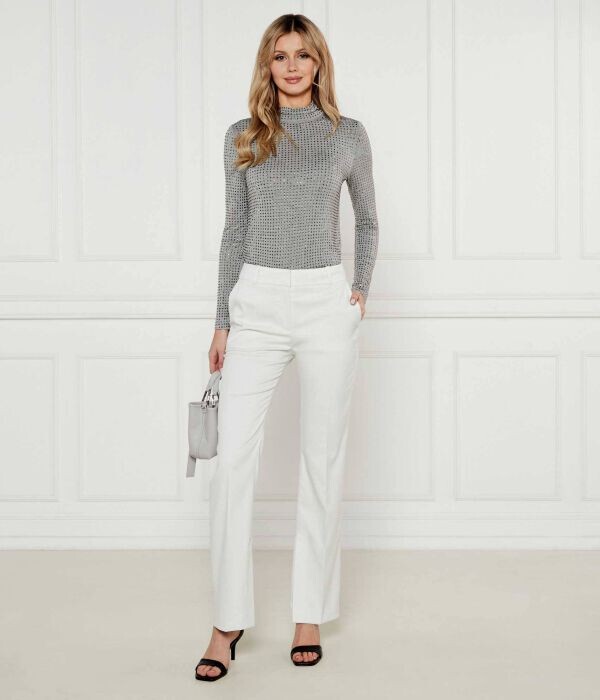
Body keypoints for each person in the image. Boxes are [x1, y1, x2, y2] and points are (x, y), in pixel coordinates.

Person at [195, 12, 379, 681]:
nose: (293, 66)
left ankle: (309, 613)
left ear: (319, 62)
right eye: (281, 56)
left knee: (321, 459)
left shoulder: (347, 134)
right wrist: (223, 319)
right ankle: (227, 621)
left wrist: (357, 290)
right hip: (259, 301)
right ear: (267, 66)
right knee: (230, 466)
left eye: (303, 54)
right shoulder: (243, 136)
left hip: (325, 301)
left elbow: (368, 218)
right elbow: (234, 228)